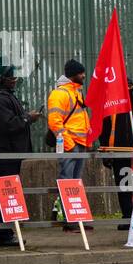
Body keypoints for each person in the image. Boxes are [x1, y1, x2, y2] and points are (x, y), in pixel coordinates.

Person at [0, 64, 41, 248]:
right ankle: (3, 234)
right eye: (12, 79)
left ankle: (6, 232)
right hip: (4, 154)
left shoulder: (3, 96)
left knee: (7, 194)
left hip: (9, 154)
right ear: (2, 80)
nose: (15, 82)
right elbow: (8, 125)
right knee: (4, 193)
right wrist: (28, 118)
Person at [47, 59, 93, 230]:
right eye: (81, 73)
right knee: (68, 182)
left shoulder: (75, 92)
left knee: (74, 182)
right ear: (73, 74)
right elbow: (54, 122)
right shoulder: (60, 94)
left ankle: (76, 217)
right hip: (71, 144)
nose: (84, 75)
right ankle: (71, 220)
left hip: (78, 144)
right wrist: (70, 143)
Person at [99, 77, 133, 230]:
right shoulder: (112, 104)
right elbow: (104, 129)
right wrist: (105, 152)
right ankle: (127, 216)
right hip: (118, 152)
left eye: (130, 86)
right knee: (124, 185)